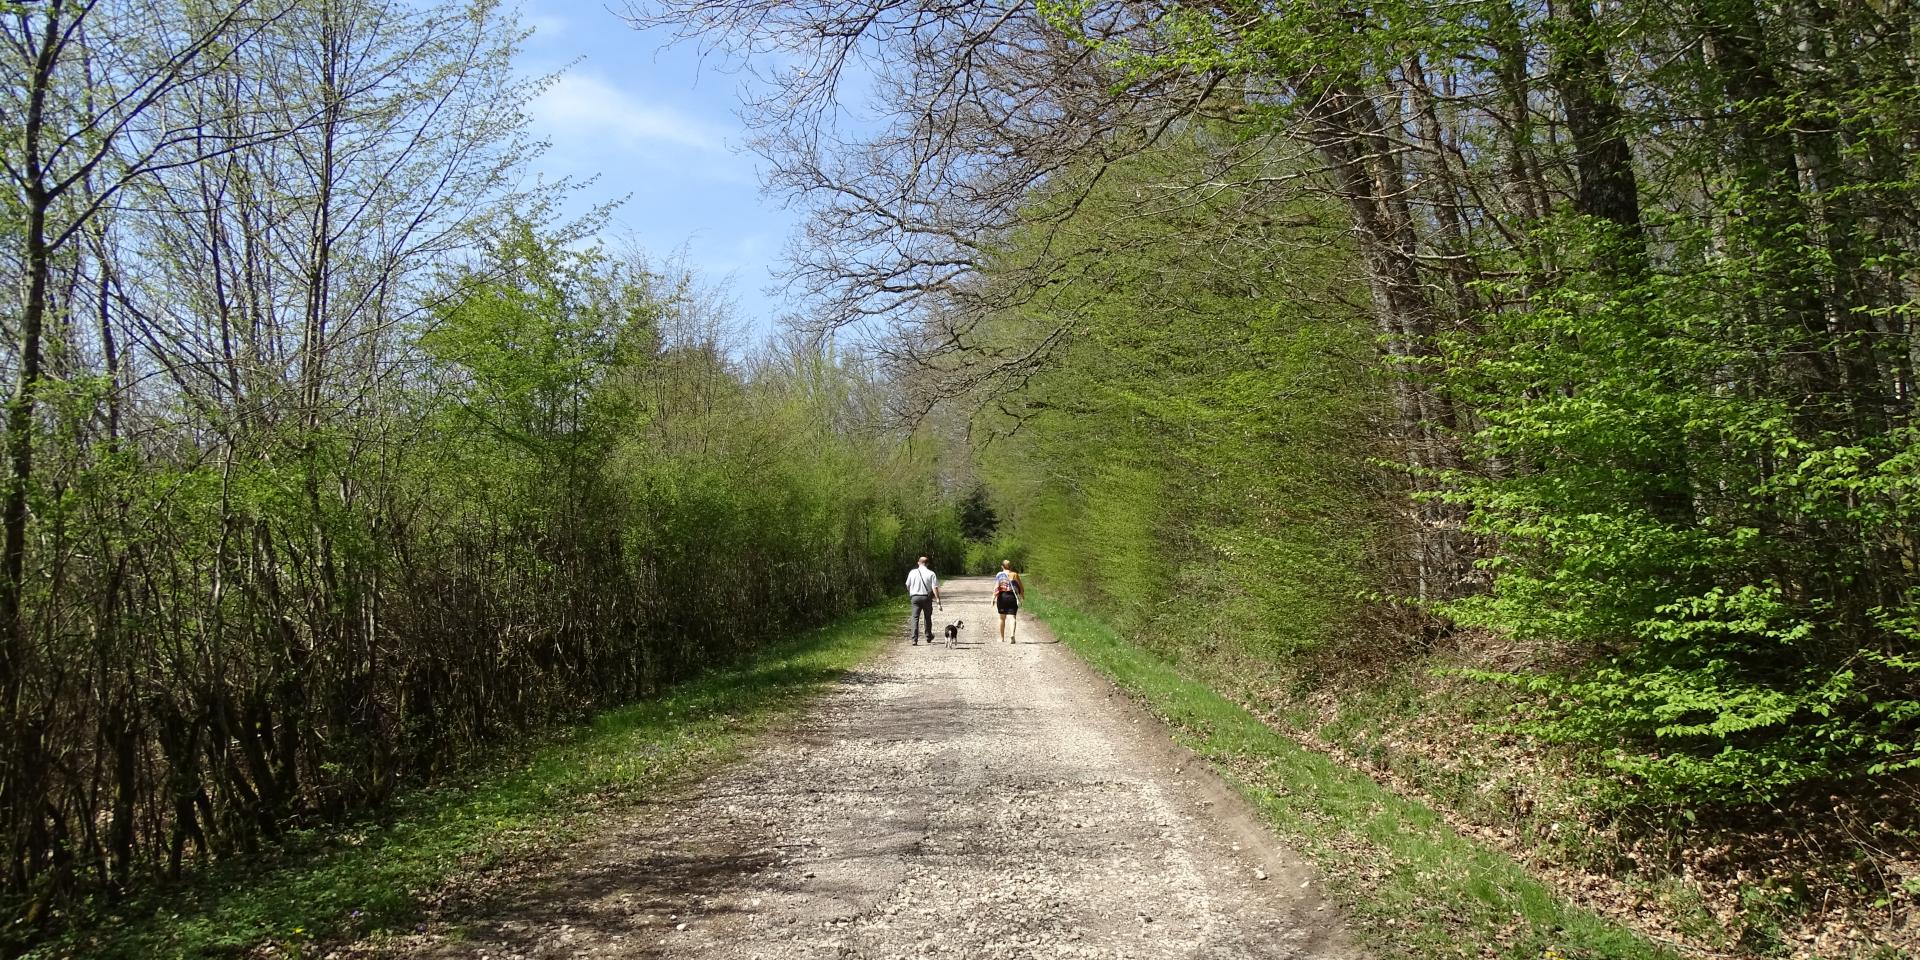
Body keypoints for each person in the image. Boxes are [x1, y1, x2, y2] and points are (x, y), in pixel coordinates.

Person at [905, 556, 941, 645]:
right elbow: (934, 587)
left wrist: (912, 593)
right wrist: (937, 599)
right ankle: (928, 636)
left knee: (915, 618)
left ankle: (914, 639)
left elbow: (907, 585)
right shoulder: (931, 573)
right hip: (926, 598)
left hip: (915, 597)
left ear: (918, 563)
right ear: (927, 563)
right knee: (927, 617)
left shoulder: (912, 572)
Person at [993, 560, 1024, 643]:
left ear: (1002, 566)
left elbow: (996, 587)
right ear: (1010, 566)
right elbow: (1021, 587)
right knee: (1012, 617)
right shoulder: (1015, 574)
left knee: (1002, 618)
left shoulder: (999, 574)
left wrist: (993, 598)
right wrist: (1022, 597)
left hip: (1002, 597)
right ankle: (1012, 635)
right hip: (1012, 597)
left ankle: (1002, 638)